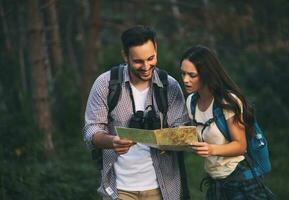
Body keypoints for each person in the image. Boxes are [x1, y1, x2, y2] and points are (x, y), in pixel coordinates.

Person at [83, 25, 190, 200]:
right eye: (138, 61)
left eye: (151, 58)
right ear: (125, 56)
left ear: (156, 48)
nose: (146, 66)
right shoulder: (105, 84)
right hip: (119, 188)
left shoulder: (169, 86)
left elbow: (183, 131)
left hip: (162, 187)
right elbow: (91, 130)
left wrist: (167, 138)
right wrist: (112, 141)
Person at [180, 45, 275, 199]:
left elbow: (240, 145)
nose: (185, 80)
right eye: (183, 73)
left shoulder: (227, 101)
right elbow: (198, 137)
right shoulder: (191, 101)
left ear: (206, 75)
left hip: (239, 178)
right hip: (215, 181)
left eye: (192, 75)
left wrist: (210, 149)